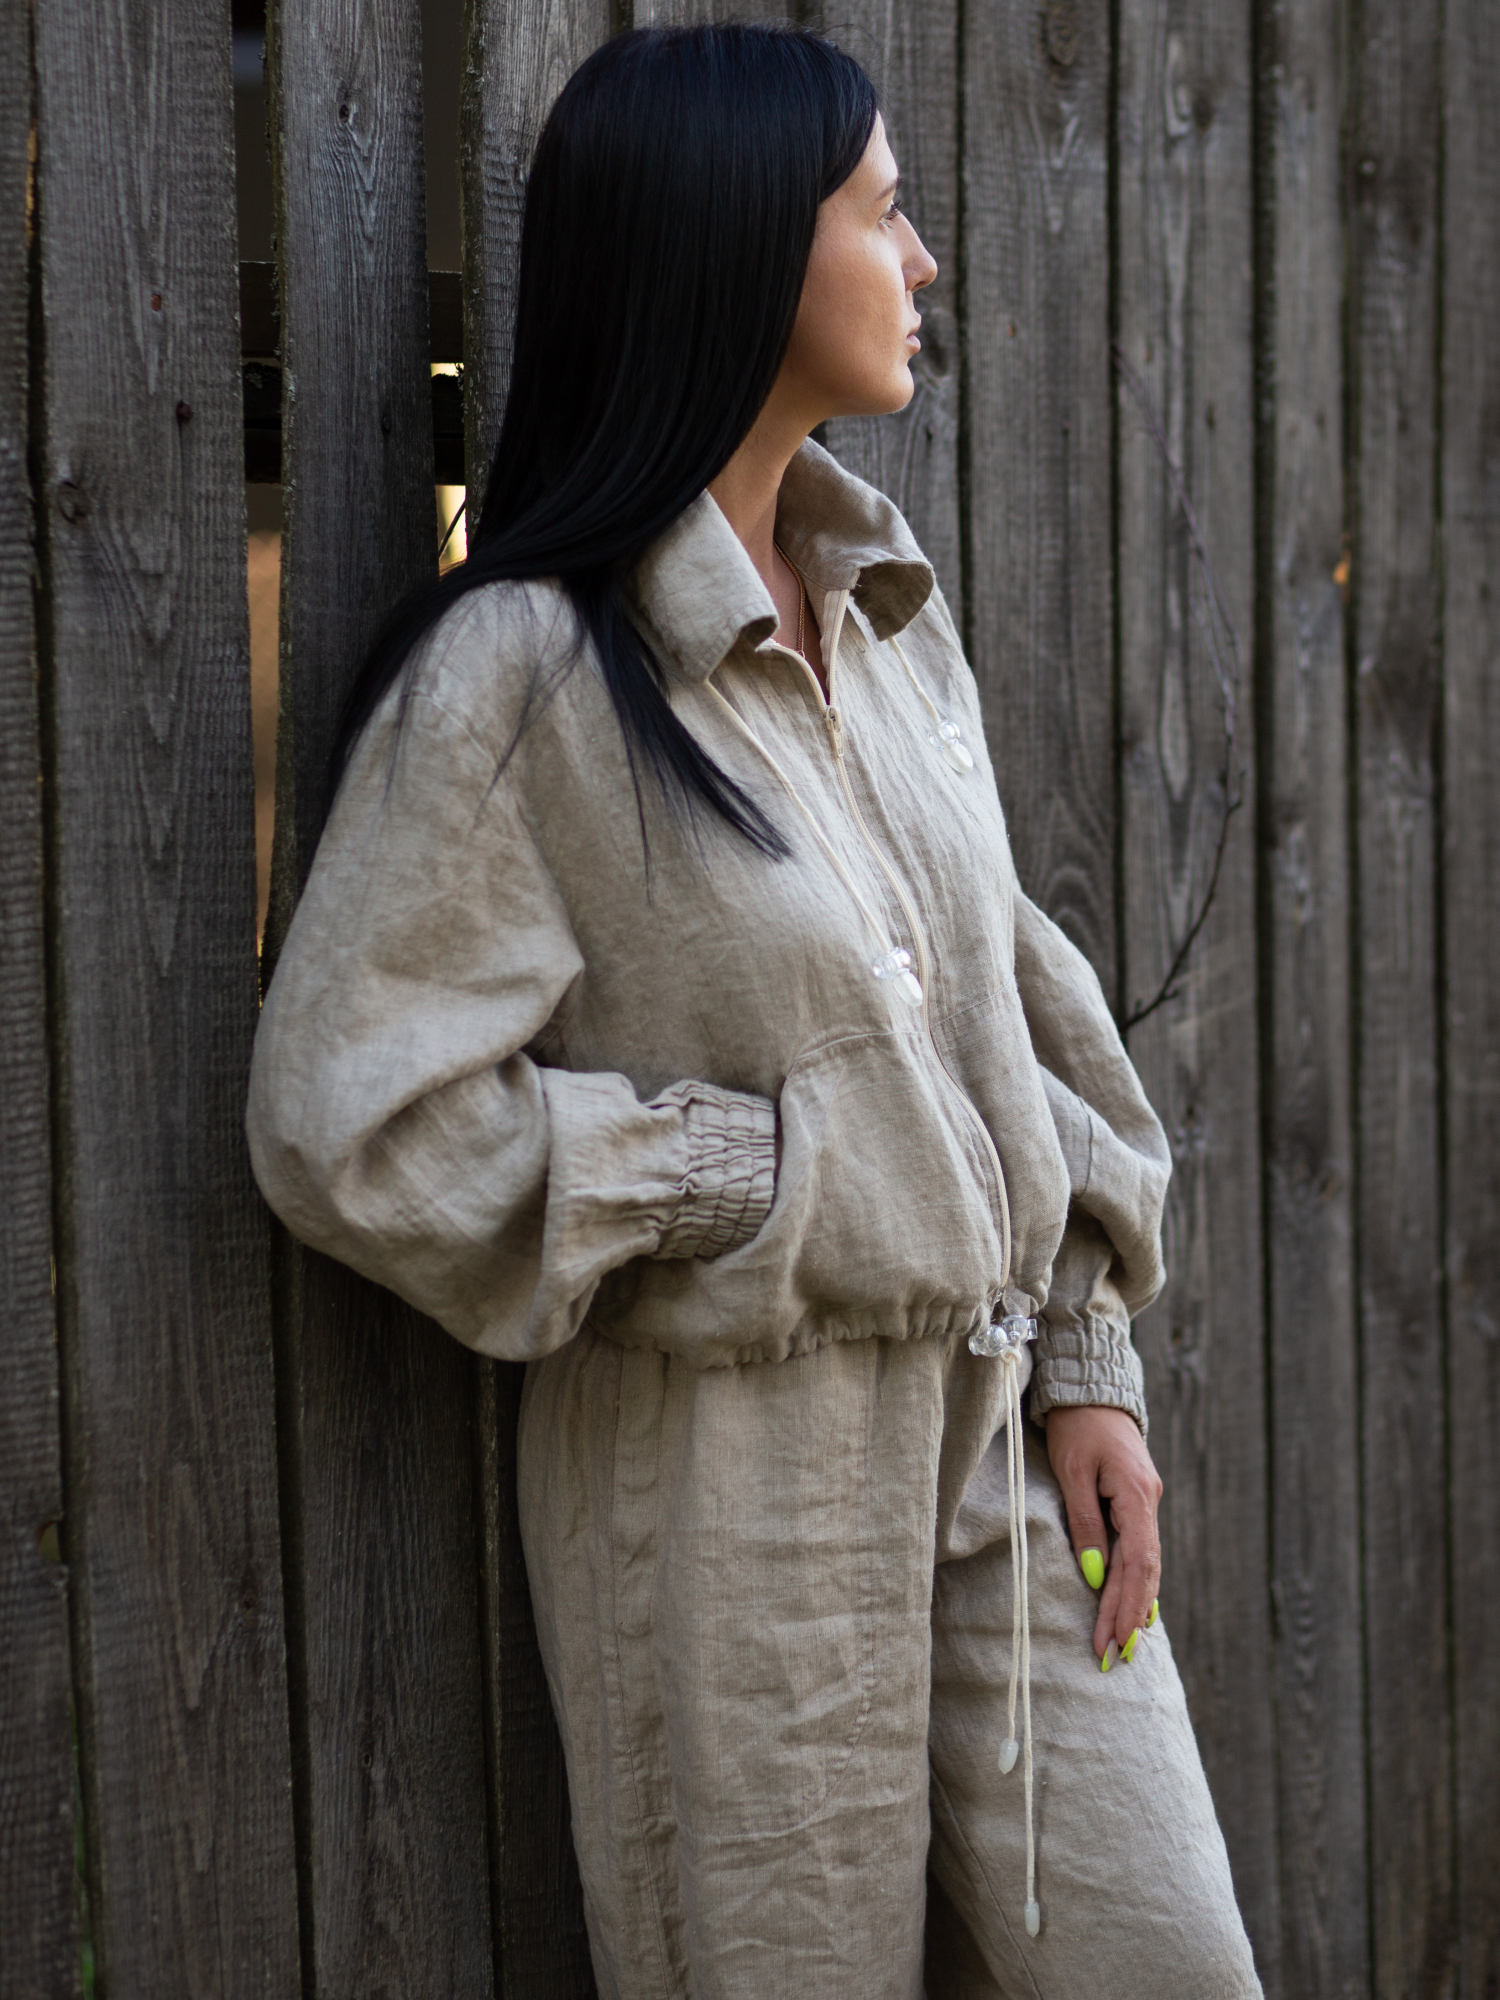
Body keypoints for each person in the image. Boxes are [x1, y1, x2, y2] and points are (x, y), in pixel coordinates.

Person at [247, 23, 1263, 1999]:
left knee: (1175, 1960)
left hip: (1000, 1441)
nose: (925, 259)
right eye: (883, 214)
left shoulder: (888, 619)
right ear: (736, 253)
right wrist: (731, 1172)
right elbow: (346, 1117)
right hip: (738, 1501)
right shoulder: (528, 674)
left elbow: (1016, 1011)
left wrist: (1088, 1354)